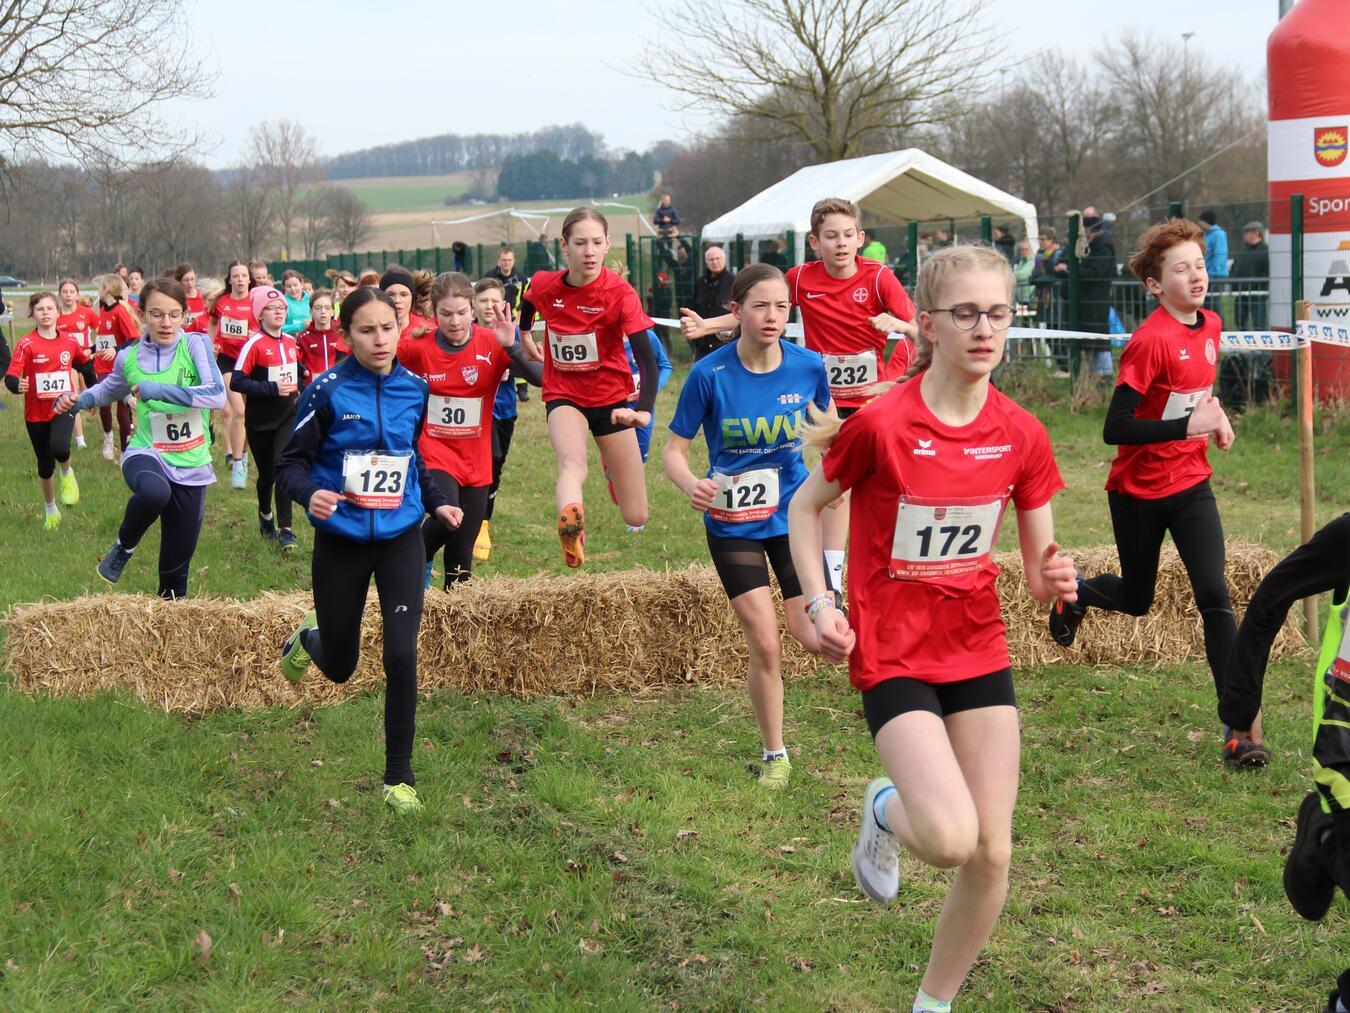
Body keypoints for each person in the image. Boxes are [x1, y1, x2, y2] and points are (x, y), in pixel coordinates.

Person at [787, 244, 1077, 1013]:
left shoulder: (1021, 433)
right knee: (949, 838)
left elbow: (1037, 552)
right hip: (894, 652)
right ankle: (885, 806)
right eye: (966, 313)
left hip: (976, 644)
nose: (985, 329)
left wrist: (1055, 575)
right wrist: (819, 601)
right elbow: (805, 508)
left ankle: (933, 1003)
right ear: (927, 323)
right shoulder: (883, 424)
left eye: (998, 313)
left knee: (992, 849)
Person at [1047, 219, 1258, 765]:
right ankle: (1075, 598)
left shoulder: (1210, 325)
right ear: (1155, 285)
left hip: (1192, 484)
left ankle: (1239, 730)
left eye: (1200, 266)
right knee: (1138, 600)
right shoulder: (1148, 341)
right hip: (1138, 491)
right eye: (1181, 269)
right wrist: (1184, 428)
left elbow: (1197, 392)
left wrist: (1217, 418)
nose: (1196, 277)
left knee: (1215, 596)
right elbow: (1115, 428)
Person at [276, 286, 459, 815]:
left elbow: (412, 460)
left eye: (387, 328)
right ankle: (309, 639)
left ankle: (398, 777)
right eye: (366, 330)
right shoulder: (326, 390)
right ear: (346, 334)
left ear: (400, 327)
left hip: (401, 538)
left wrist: (438, 502)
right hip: (342, 542)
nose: (380, 339)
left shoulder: (414, 389)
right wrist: (310, 494)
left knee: (401, 654)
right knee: (340, 666)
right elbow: (291, 464)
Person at [681, 197, 918, 602]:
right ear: (815, 242)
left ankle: (886, 564)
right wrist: (710, 326)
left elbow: (918, 331)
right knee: (835, 488)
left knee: (879, 486)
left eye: (847, 235)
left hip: (866, 402)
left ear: (860, 238)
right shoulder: (800, 279)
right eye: (831, 236)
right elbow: (758, 306)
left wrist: (895, 346)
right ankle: (834, 578)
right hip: (815, 400)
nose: (840, 244)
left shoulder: (879, 279)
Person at [665, 264, 829, 788]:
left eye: (783, 306)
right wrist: (691, 482)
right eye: (761, 306)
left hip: (793, 517)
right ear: (735, 312)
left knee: (810, 634)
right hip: (734, 521)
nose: (774, 316)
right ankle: (775, 753)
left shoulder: (808, 368)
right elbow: (673, 450)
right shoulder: (710, 374)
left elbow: (828, 437)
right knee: (765, 641)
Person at [55, 279, 226, 597]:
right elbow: (109, 390)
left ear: (184, 315)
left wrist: (158, 390)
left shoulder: (195, 345)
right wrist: (76, 400)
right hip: (147, 452)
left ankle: (170, 635)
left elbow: (216, 396)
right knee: (153, 493)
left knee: (175, 577)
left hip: (192, 464)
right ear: (141, 314)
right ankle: (123, 547)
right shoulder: (129, 357)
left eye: (175, 315)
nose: (166, 323)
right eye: (157, 314)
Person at [517, 207, 659, 568]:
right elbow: (530, 302)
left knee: (636, 515)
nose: (590, 251)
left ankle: (612, 473)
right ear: (564, 246)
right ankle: (572, 523)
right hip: (564, 395)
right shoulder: (546, 284)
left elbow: (647, 359)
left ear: (608, 243)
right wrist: (524, 334)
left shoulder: (620, 293)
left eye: (597, 242)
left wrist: (643, 409)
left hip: (612, 402)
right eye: (580, 243)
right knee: (572, 461)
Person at [397, 273, 540, 588]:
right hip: (434, 451)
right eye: (446, 314)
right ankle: (398, 563)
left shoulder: (491, 343)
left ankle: (453, 622)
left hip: (477, 459)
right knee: (448, 519)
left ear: (473, 310)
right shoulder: (417, 346)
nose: (455, 321)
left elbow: (541, 378)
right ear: (435, 313)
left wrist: (513, 347)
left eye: (461, 313)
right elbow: (380, 367)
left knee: (462, 555)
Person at [5, 291, 97, 528]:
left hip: (63, 406)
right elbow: (11, 376)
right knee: (45, 466)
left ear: (57, 312)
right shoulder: (26, 344)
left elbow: (84, 365)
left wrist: (95, 394)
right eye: (40, 309)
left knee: (59, 447)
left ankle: (67, 473)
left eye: (49, 308)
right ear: (32, 314)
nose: (45, 313)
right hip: (35, 412)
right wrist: (17, 385)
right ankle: (51, 510)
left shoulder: (69, 341)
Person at [231, 286, 302, 551]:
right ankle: (265, 516)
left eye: (282, 308)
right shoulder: (253, 344)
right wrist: (271, 389)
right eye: (272, 309)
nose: (279, 312)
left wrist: (304, 377)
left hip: (287, 416)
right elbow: (238, 382)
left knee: (283, 467)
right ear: (260, 314)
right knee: (267, 475)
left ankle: (286, 530)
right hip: (260, 421)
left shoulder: (291, 342)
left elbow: (296, 368)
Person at [472, 277, 536, 562]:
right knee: (486, 461)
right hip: (474, 414)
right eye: (483, 300)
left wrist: (514, 359)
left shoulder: (508, 334)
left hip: (505, 411)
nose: (489, 306)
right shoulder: (465, 333)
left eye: (495, 300)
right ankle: (474, 525)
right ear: (473, 306)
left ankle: (483, 521)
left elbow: (531, 367)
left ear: (504, 304)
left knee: (496, 466)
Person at [209, 261, 257, 488]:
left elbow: (267, 329)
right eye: (235, 276)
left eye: (243, 276)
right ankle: (237, 464)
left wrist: (253, 334)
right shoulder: (221, 301)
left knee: (249, 416)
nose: (239, 279)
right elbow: (213, 322)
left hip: (251, 361)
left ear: (249, 279)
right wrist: (211, 344)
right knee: (239, 410)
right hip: (228, 361)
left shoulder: (257, 302)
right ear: (229, 279)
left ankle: (244, 454)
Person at [93, 274, 140, 460]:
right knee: (104, 403)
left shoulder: (121, 311)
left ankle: (124, 453)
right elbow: (104, 338)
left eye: (101, 287)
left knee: (123, 410)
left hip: (121, 367)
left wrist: (116, 349)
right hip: (102, 365)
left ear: (106, 289)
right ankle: (108, 437)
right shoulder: (102, 309)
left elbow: (134, 339)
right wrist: (91, 349)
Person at [56, 279, 100, 450]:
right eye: (64, 292)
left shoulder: (87, 312)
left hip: (86, 360)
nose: (68, 295)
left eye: (71, 292)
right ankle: (80, 440)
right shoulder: (56, 315)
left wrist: (93, 349)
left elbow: (103, 333)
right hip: (67, 362)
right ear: (60, 295)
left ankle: (107, 434)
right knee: (71, 396)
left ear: (77, 294)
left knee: (96, 399)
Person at [1075, 212, 1118, 378]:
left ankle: (1104, 374)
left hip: (1096, 299)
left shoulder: (1102, 247)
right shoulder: (1095, 246)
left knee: (1099, 338)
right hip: (1090, 300)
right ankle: (1095, 374)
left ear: (1088, 230)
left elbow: (1096, 272)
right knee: (1092, 338)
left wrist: (1074, 271)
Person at [686, 244, 735, 360]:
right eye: (711, 259)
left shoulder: (734, 282)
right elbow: (693, 307)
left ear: (724, 259)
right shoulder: (700, 283)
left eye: (718, 258)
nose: (715, 262)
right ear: (706, 262)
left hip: (725, 343)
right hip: (702, 343)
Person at [294, 288, 345, 382]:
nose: (323, 311)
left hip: (337, 387)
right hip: (312, 388)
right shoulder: (304, 337)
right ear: (311, 312)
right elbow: (298, 366)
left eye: (327, 308)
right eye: (318, 308)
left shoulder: (340, 334)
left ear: (333, 311)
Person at [380, 266, 434, 346]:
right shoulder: (369, 329)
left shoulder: (427, 331)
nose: (397, 300)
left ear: (412, 297)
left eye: (404, 294)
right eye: (390, 294)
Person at [1232, 221, 1269, 331]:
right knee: (1239, 319)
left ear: (1256, 233)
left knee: (1259, 322)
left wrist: (1258, 286)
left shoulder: (1265, 250)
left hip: (1257, 293)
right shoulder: (1242, 250)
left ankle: (1261, 346)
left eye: (1247, 232)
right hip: (1241, 292)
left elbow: (1266, 271)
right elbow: (1235, 267)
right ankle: (1244, 346)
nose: (1244, 235)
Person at [173, 264, 208, 333]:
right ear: (179, 281)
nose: (190, 283)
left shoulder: (203, 297)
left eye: (192, 279)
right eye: (186, 280)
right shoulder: (175, 299)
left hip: (200, 337)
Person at [280, 270, 311, 337]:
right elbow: (279, 328)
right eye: (288, 286)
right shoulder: (282, 303)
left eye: (295, 285)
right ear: (284, 287)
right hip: (292, 341)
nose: (293, 289)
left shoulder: (311, 299)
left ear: (302, 283)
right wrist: (301, 326)